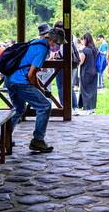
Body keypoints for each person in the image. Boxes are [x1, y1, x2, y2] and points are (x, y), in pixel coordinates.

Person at [6, 25, 66, 153]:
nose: (59, 47)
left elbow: (30, 71)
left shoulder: (36, 42)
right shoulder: (43, 50)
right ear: (52, 41)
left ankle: (4, 137)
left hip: (9, 79)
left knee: (19, 109)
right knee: (44, 106)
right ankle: (38, 140)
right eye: (58, 44)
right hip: (20, 82)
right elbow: (31, 74)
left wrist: (41, 88)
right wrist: (39, 88)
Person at [78, 32, 99, 114]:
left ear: (86, 39)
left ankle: (87, 109)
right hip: (94, 71)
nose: (82, 41)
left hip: (86, 72)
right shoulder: (95, 49)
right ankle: (92, 108)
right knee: (93, 90)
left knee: (85, 90)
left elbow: (81, 62)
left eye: (83, 39)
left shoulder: (85, 50)